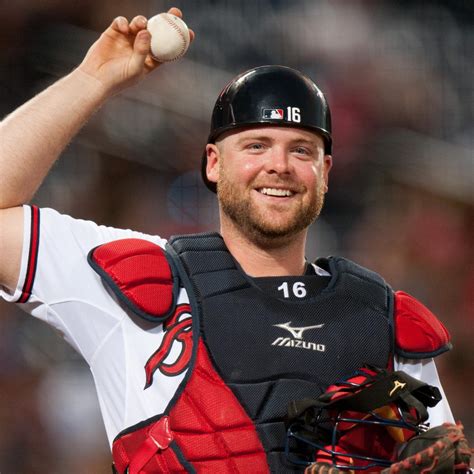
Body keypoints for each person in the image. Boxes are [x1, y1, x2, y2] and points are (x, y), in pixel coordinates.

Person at [0, 7, 463, 474]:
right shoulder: (142, 278)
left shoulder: (379, 321)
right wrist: (92, 80)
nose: (279, 165)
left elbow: (442, 460)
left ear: (324, 173)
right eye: (256, 145)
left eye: (301, 150)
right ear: (213, 163)